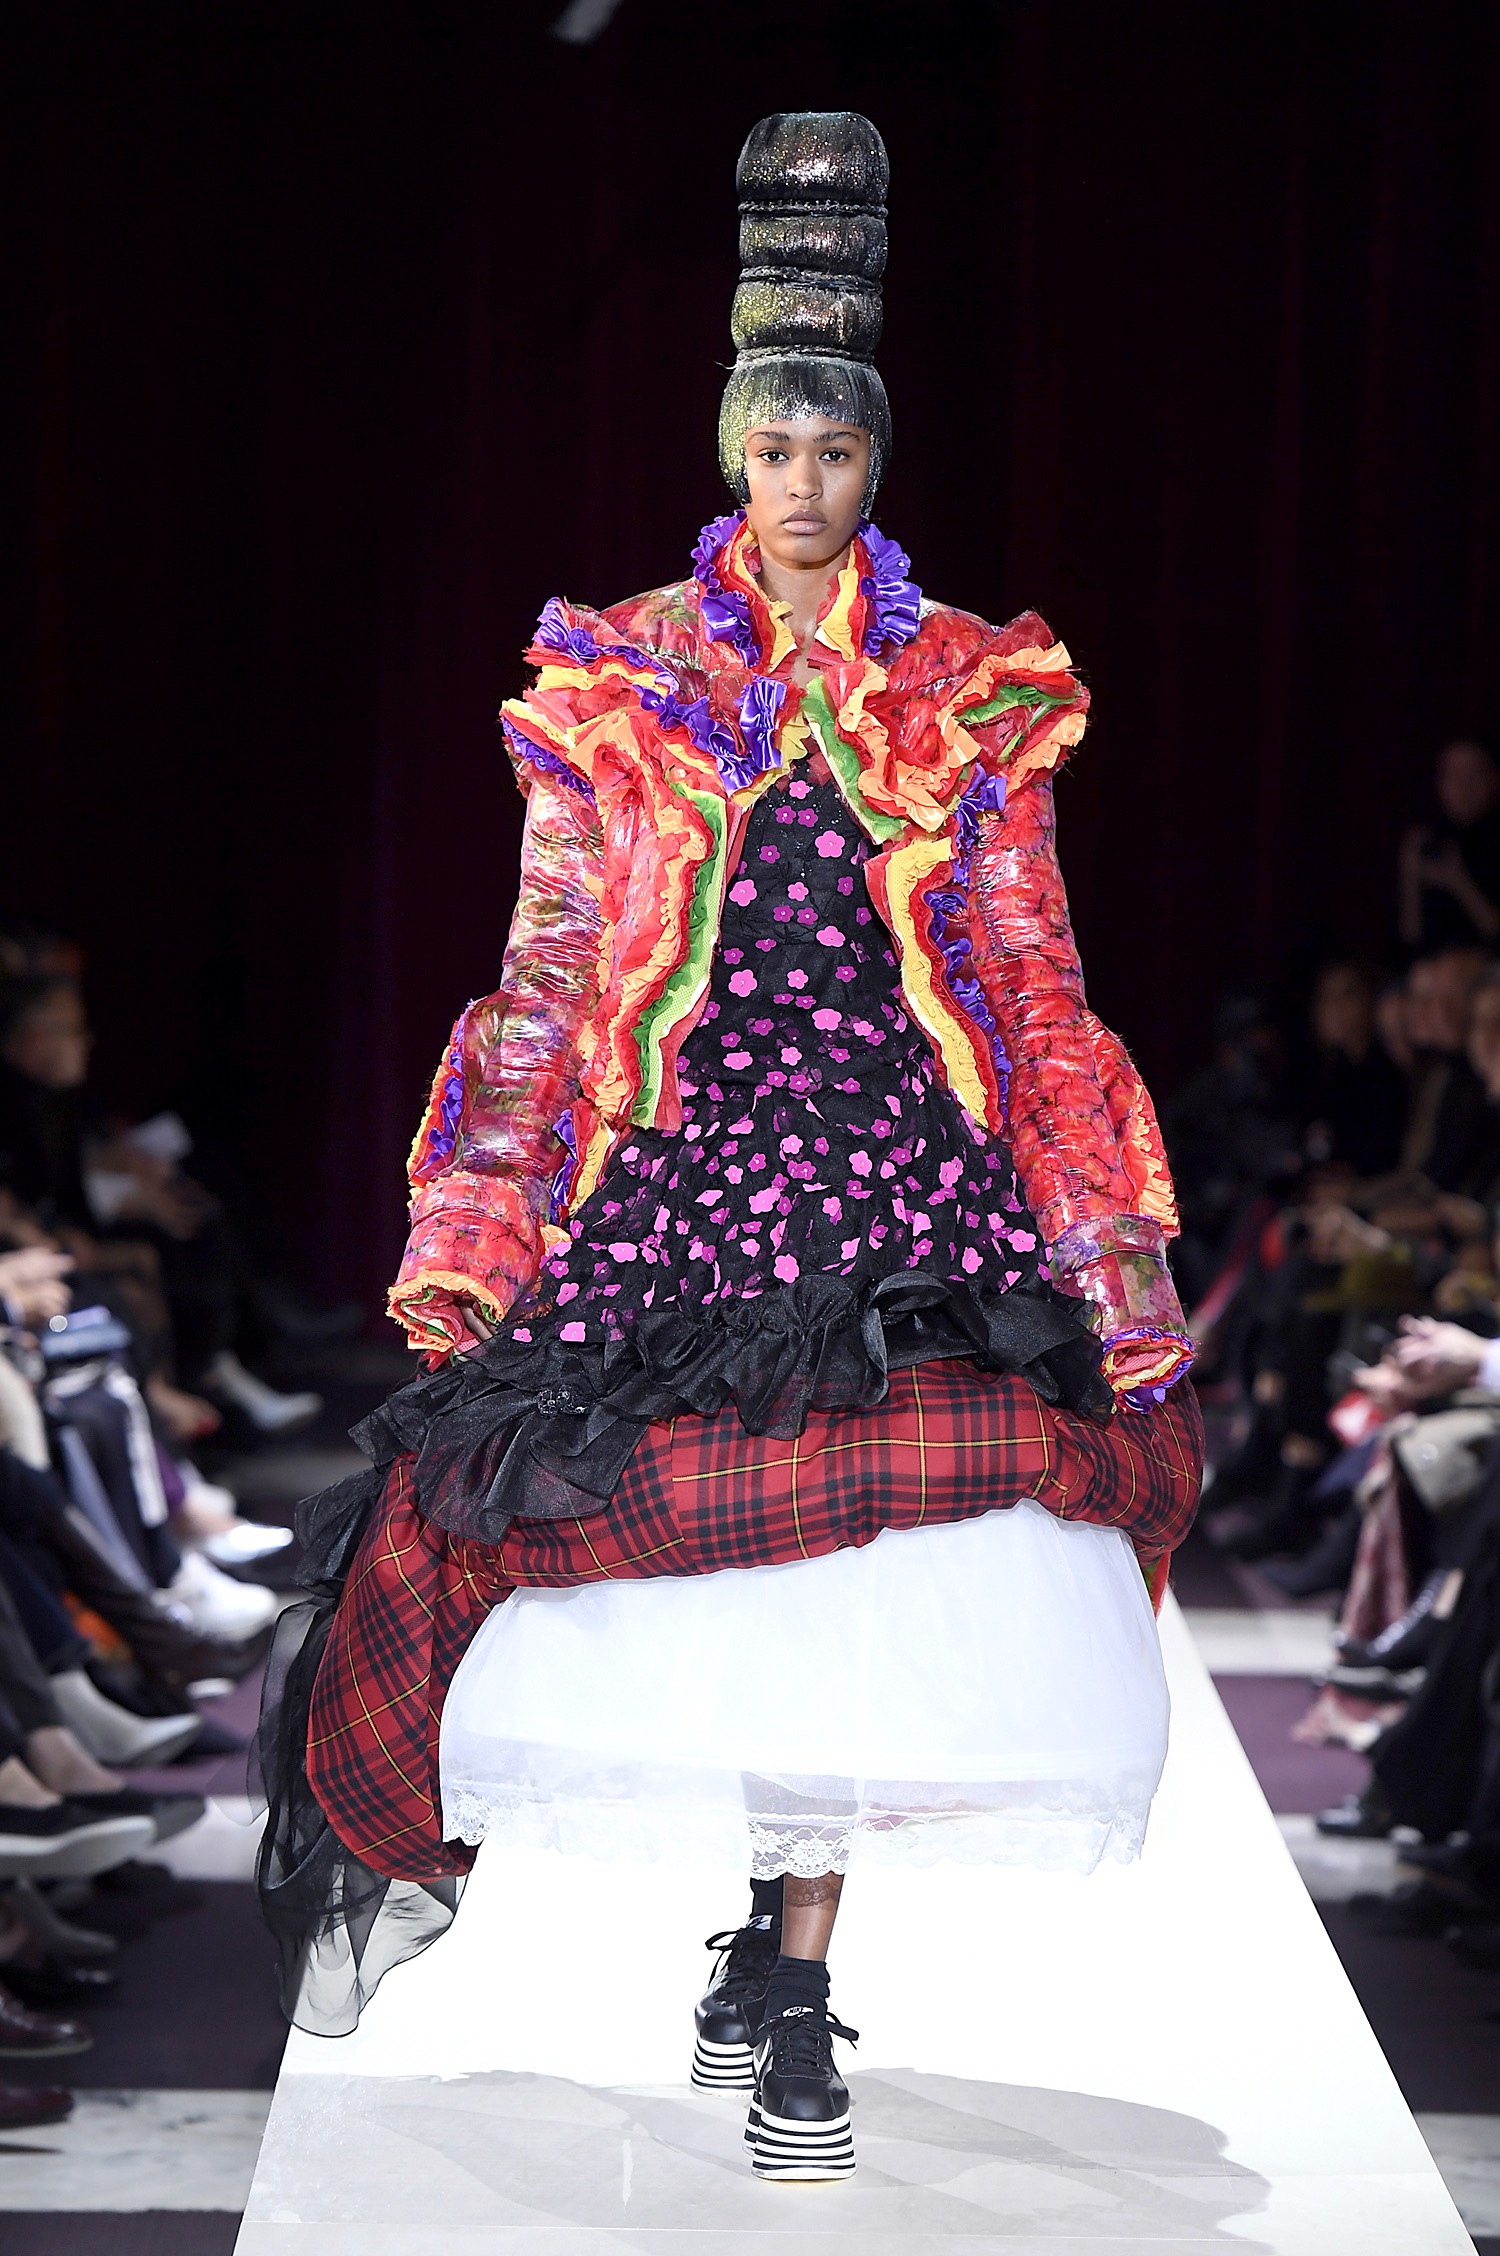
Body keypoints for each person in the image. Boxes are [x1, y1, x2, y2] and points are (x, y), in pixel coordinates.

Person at [260, 112, 1201, 2180]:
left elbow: (1032, 974)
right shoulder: (626, 675)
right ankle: (761, 1946)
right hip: (682, 1170)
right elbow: (550, 966)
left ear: (875, 468)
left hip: (896, 1173)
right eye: (772, 449)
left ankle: (792, 1979)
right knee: (699, 1557)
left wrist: (1103, 1241)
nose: (800, 486)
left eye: (834, 453)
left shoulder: (964, 689)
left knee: (863, 1562)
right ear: (728, 455)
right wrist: (484, 1219)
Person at [1399, 737, 1500, 954]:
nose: (1463, 786)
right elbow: (1410, 942)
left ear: (1494, 779)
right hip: (1435, 966)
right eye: (1453, 775)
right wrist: (1410, 877)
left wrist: (1459, 882)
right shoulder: (1431, 842)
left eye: (1474, 774)